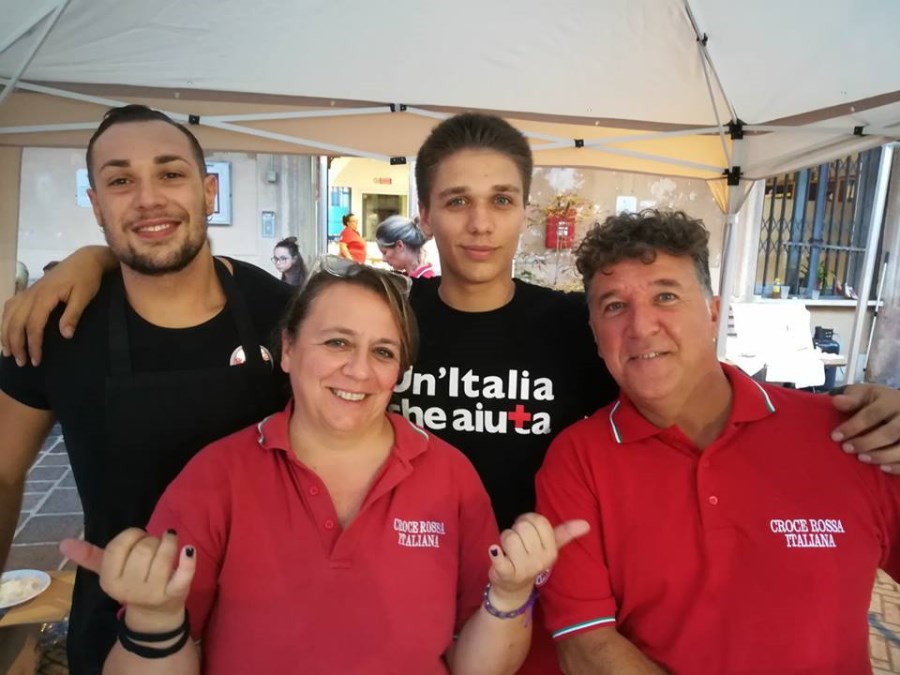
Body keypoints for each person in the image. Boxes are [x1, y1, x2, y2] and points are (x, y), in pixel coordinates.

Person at [5, 113, 900, 673]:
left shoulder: (575, 325)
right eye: (457, 200)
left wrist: (823, 417)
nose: (479, 222)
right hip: (331, 597)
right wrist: (90, 258)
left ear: (523, 211)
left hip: (514, 614)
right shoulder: (382, 310)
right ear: (424, 212)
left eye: (501, 200)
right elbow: (193, 269)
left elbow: (674, 373)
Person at [61, 260, 588, 674]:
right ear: (288, 350)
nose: (359, 370)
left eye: (383, 352)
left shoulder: (450, 476)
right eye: (337, 342)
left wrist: (510, 596)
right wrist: (153, 620)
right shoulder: (218, 475)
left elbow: (479, 667)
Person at [535, 209, 900, 674]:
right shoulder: (578, 460)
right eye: (614, 306)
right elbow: (586, 646)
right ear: (595, 334)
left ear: (712, 313)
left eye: (666, 296)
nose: (641, 326)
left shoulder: (849, 434)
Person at [0, 105, 292, 675]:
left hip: (268, 625)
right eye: (120, 181)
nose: (148, 199)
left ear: (208, 191)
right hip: (119, 632)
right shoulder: (54, 326)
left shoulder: (279, 311)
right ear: (96, 206)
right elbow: (3, 471)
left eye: (170, 173)